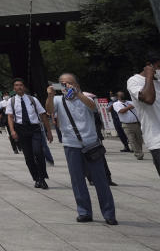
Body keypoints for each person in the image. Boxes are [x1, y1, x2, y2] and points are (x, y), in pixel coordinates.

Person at [46, 75, 117, 225]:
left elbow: (93, 108)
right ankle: (84, 211)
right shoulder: (59, 100)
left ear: (77, 84)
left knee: (100, 180)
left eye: (69, 83)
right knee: (77, 180)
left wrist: (77, 93)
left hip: (91, 143)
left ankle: (109, 213)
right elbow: (49, 110)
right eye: (63, 83)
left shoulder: (86, 97)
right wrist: (50, 95)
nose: (66, 86)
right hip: (71, 144)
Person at [6, 78, 53, 189]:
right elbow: (10, 117)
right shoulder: (11, 101)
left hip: (35, 129)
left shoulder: (33, 99)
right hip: (21, 130)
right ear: (14, 88)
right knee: (28, 157)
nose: (19, 87)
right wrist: (12, 131)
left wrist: (49, 131)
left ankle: (42, 178)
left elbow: (43, 115)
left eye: (21, 85)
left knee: (38, 152)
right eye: (16, 85)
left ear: (24, 87)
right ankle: (36, 178)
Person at [127, 55, 160, 177]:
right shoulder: (134, 81)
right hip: (157, 140)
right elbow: (148, 98)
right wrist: (150, 76)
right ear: (149, 65)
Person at [114, 90, 143, 160]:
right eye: (120, 95)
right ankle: (138, 154)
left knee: (139, 139)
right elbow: (121, 111)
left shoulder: (130, 102)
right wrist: (129, 107)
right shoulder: (116, 104)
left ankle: (139, 150)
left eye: (123, 94)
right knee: (132, 140)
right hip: (127, 125)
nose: (122, 96)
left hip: (136, 124)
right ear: (118, 97)